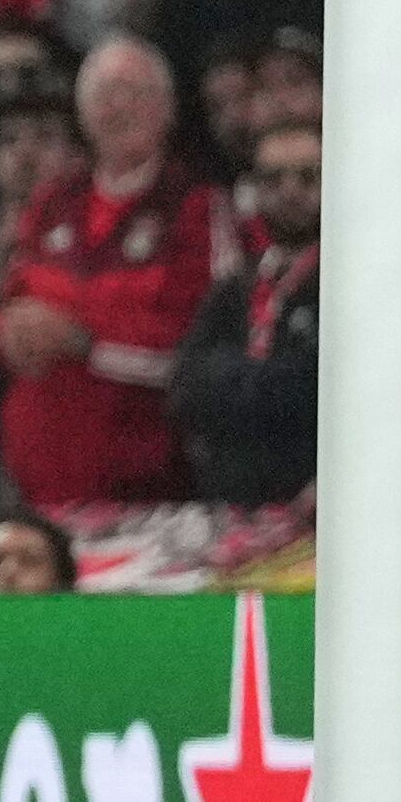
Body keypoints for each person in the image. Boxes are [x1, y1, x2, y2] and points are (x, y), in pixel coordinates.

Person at [0, 35, 217, 507]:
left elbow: (199, 350)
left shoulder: (196, 207)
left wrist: (85, 343)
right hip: (37, 480)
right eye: (103, 94)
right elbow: (1, 315)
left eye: (134, 92)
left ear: (168, 109)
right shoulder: (51, 203)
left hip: (146, 481)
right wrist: (5, 336)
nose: (117, 107)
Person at [167, 115, 325, 509]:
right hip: (231, 503)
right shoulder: (237, 283)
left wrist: (235, 383)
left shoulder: (357, 286)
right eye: (273, 180)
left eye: (308, 177)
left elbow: (317, 393)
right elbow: (185, 384)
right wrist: (270, 382)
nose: (290, 191)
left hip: (315, 505)